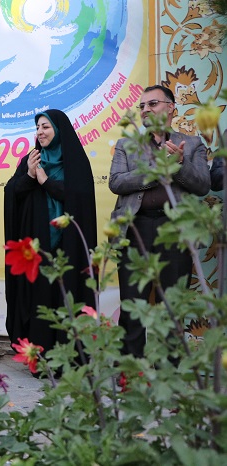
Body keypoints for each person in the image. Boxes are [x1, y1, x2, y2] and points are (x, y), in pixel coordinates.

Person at [109, 85, 210, 358]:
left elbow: (203, 185)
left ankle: (170, 371)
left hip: (175, 230)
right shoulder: (126, 145)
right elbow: (116, 182)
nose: (145, 110)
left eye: (152, 104)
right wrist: (158, 169)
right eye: (142, 106)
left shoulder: (192, 144)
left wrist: (179, 165)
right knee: (133, 304)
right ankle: (130, 370)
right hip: (135, 229)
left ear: (170, 108)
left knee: (172, 305)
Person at [4, 109, 97, 360]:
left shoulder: (75, 162)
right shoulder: (32, 159)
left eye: (45, 127)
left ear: (59, 129)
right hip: (38, 247)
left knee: (67, 297)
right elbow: (12, 192)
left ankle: (69, 358)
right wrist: (29, 176)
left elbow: (79, 199)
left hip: (68, 247)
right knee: (39, 300)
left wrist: (46, 182)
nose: (40, 132)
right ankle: (41, 357)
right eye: (37, 128)